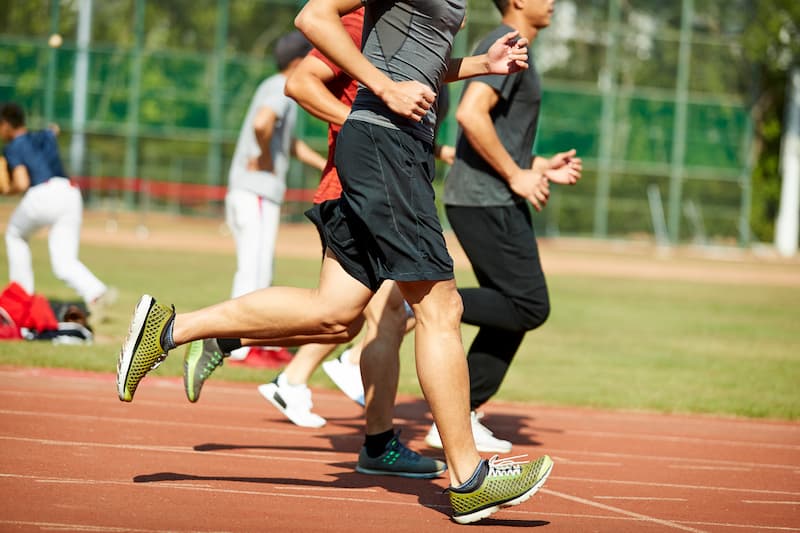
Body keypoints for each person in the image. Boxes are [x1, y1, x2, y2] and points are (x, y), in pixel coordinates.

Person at [117, 0, 553, 524]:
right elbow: (313, 17)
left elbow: (418, 64)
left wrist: (481, 66)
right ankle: (468, 478)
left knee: (335, 312)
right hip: (384, 145)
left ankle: (171, 329)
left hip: (396, 148)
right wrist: (385, 89)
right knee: (441, 306)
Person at [183, 8, 445, 481]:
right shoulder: (361, 20)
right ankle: (376, 438)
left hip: (387, 181)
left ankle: (231, 340)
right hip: (361, 184)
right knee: (391, 314)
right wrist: (370, 130)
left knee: (342, 321)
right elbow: (302, 83)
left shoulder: (408, 28)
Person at [425, 0, 582, 454]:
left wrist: (537, 165)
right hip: (485, 201)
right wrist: (516, 176)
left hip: (485, 198)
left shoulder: (513, 46)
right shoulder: (504, 43)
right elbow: (470, 114)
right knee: (529, 304)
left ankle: (460, 414)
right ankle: (428, 303)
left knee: (513, 311)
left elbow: (495, 133)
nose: (552, 0)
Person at [224, 30, 326, 366]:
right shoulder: (282, 86)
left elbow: (290, 144)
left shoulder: (276, 85)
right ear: (298, 62)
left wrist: (326, 163)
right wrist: (265, 155)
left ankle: (251, 341)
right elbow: (262, 123)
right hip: (255, 189)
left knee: (257, 266)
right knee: (254, 268)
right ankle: (238, 343)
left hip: (252, 190)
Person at [0, 102, 117, 321]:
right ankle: (96, 292)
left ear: (6, 124)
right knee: (64, 262)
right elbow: (53, 130)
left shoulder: (14, 146)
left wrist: (6, 190)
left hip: (43, 194)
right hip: (69, 193)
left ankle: (22, 295)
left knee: (15, 235)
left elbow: (22, 182)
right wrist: (52, 130)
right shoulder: (44, 135)